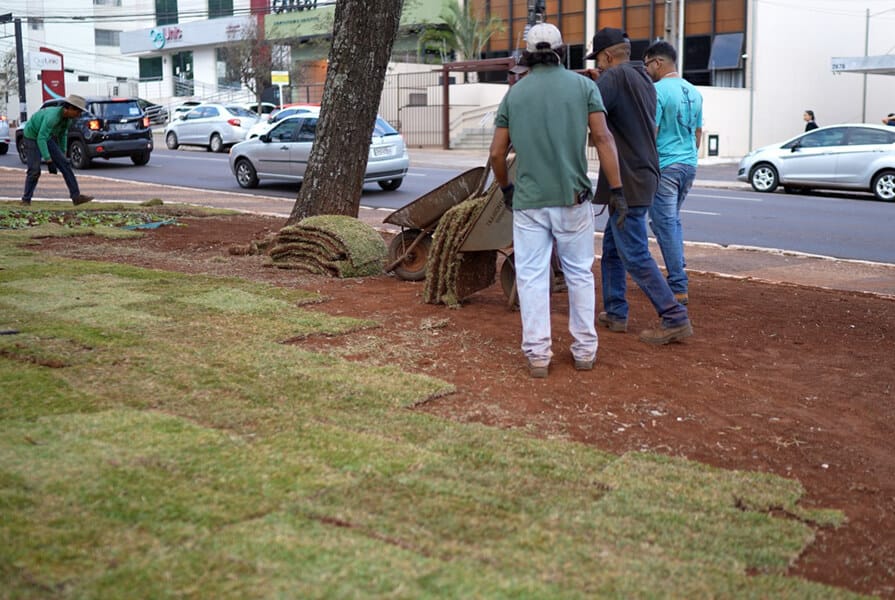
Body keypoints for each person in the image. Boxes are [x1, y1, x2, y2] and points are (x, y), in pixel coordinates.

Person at [490, 22, 625, 378]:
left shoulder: (515, 95)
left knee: (533, 277)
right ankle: (584, 351)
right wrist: (618, 191)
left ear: (527, 54)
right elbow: (604, 138)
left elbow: (496, 154)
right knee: (580, 273)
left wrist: (506, 189)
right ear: (562, 51)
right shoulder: (584, 87)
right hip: (573, 199)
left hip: (530, 203)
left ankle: (538, 355)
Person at [584, 27, 692, 345]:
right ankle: (616, 312)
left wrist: (591, 84)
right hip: (645, 172)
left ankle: (673, 316)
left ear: (606, 56)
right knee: (613, 250)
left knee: (634, 252)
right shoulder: (643, 77)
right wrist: (598, 81)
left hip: (628, 178)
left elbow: (589, 116)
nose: (600, 67)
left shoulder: (613, 79)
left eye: (600, 62)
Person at [643, 40, 703, 306]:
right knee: (669, 222)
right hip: (688, 165)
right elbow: (698, 132)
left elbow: (651, 132)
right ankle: (678, 270)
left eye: (647, 65)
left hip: (665, 165)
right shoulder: (694, 91)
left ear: (657, 62)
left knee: (665, 224)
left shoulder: (657, 91)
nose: (646, 70)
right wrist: (688, 157)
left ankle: (678, 284)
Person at [21, 94, 94, 206]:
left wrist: (62, 152)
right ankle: (26, 200)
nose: (79, 115)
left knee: (65, 164)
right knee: (34, 170)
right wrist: (49, 160)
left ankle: (76, 197)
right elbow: (41, 138)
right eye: (78, 112)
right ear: (69, 108)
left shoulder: (68, 119)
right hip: (32, 136)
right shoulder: (52, 117)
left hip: (46, 136)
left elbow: (62, 135)